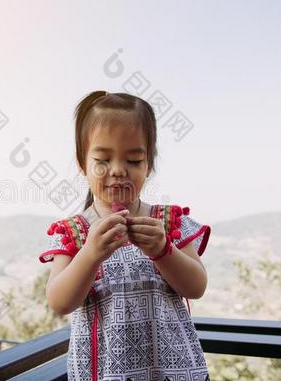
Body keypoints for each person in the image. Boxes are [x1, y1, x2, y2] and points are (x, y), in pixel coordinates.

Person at [38, 90, 212, 380]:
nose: (118, 170)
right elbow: (60, 301)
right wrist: (91, 254)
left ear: (149, 165)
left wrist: (163, 251)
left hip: (174, 370)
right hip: (106, 371)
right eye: (103, 159)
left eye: (133, 160)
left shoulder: (168, 223)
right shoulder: (75, 232)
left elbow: (196, 287)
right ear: (82, 163)